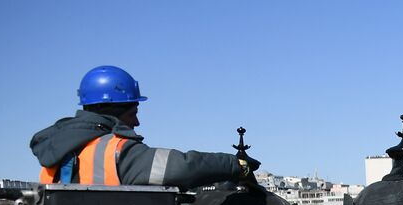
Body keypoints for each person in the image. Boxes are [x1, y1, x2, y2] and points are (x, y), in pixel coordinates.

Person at [31, 65, 258, 188]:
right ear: (114, 112)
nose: (137, 123)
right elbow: (183, 168)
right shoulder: (116, 152)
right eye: (133, 113)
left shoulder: (58, 153)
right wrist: (237, 166)